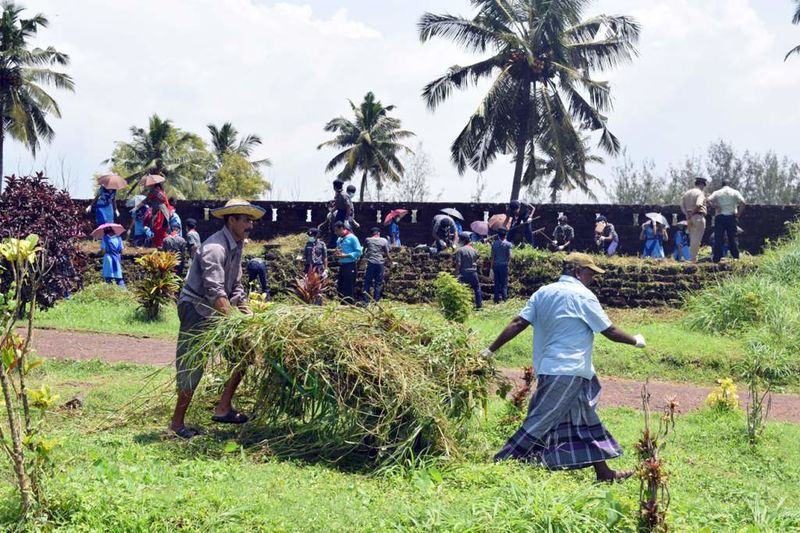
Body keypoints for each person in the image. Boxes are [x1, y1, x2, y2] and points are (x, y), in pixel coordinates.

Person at [483, 253, 646, 481]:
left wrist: (490, 350)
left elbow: (519, 322)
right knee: (539, 419)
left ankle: (604, 473)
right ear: (578, 272)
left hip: (554, 368)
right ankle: (498, 463)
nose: (592, 279)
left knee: (585, 419)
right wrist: (636, 341)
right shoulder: (583, 296)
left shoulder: (543, 293)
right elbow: (609, 331)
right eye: (590, 274)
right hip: (568, 370)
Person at [170, 198, 265, 439]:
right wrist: (234, 321)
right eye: (246, 220)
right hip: (198, 309)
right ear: (231, 220)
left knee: (244, 352)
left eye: (251, 220)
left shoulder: (236, 244)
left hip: (219, 308)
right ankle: (177, 424)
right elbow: (215, 291)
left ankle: (223, 408)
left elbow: (236, 288)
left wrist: (250, 318)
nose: (250, 225)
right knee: (193, 364)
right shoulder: (215, 249)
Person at [707, 180, 746, 262]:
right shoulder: (735, 192)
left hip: (720, 216)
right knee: (732, 237)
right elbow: (743, 202)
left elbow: (707, 200)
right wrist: (738, 214)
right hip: (731, 217)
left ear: (722, 185)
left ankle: (716, 257)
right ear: (729, 184)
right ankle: (735, 256)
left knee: (718, 237)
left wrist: (715, 206)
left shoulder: (717, 192)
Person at [334, 221, 362, 304]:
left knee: (349, 286)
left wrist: (346, 256)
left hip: (350, 265)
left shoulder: (352, 238)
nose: (335, 233)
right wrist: (337, 254)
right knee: (341, 285)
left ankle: (349, 304)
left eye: (336, 231)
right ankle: (342, 303)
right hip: (342, 265)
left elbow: (358, 252)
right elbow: (339, 250)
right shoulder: (339, 239)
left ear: (342, 228)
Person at [680, 177, 708, 262]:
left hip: (689, 218)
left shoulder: (686, 193)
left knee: (692, 238)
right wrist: (692, 213)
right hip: (698, 216)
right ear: (702, 184)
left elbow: (682, 205)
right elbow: (699, 204)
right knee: (696, 239)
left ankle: (692, 258)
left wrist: (687, 214)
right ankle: (693, 259)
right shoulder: (700, 193)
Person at [362, 227, 391, 303]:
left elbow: (363, 252)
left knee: (367, 281)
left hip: (371, 262)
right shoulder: (384, 240)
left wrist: (359, 261)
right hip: (380, 263)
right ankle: (376, 301)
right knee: (378, 283)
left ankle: (366, 301)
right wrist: (391, 261)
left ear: (372, 233)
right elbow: (387, 254)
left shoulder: (368, 240)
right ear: (379, 233)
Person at [139, 183, 172, 249]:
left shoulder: (154, 192)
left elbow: (146, 200)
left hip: (159, 212)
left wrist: (137, 206)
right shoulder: (163, 193)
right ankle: (161, 245)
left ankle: (159, 245)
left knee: (157, 229)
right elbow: (167, 204)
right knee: (160, 230)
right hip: (164, 212)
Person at [454, 232, 482, 310]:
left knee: (463, 289)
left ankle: (463, 306)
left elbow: (458, 263)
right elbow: (477, 259)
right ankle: (479, 306)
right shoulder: (474, 250)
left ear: (463, 240)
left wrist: (456, 274)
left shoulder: (460, 250)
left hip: (464, 272)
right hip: (473, 272)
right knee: (476, 288)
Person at [491, 227, 512, 304]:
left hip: (496, 265)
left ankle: (496, 300)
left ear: (498, 235)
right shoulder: (508, 244)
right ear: (505, 235)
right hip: (504, 265)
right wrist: (508, 264)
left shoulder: (494, 244)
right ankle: (504, 299)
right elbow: (510, 256)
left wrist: (491, 267)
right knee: (504, 283)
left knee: (496, 283)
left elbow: (492, 257)